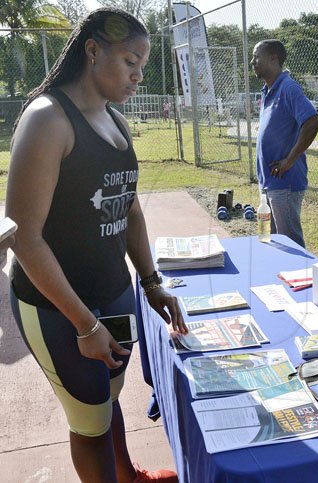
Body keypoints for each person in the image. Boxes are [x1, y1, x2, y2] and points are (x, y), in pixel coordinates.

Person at [6, 8, 187, 482]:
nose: (138, 75)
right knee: (88, 419)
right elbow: (25, 237)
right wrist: (84, 325)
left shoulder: (115, 121)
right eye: (130, 60)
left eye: (142, 64)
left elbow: (129, 208)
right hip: (57, 307)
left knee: (108, 399)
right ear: (92, 50)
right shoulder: (48, 119)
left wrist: (151, 283)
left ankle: (128, 475)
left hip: (113, 293)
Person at [251, 39, 318, 248]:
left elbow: (312, 122)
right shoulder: (268, 91)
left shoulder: (288, 88)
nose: (252, 62)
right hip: (269, 182)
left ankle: (301, 280)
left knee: (289, 243)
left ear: (273, 59)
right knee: (270, 240)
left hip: (284, 183)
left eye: (257, 57)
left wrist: (289, 161)